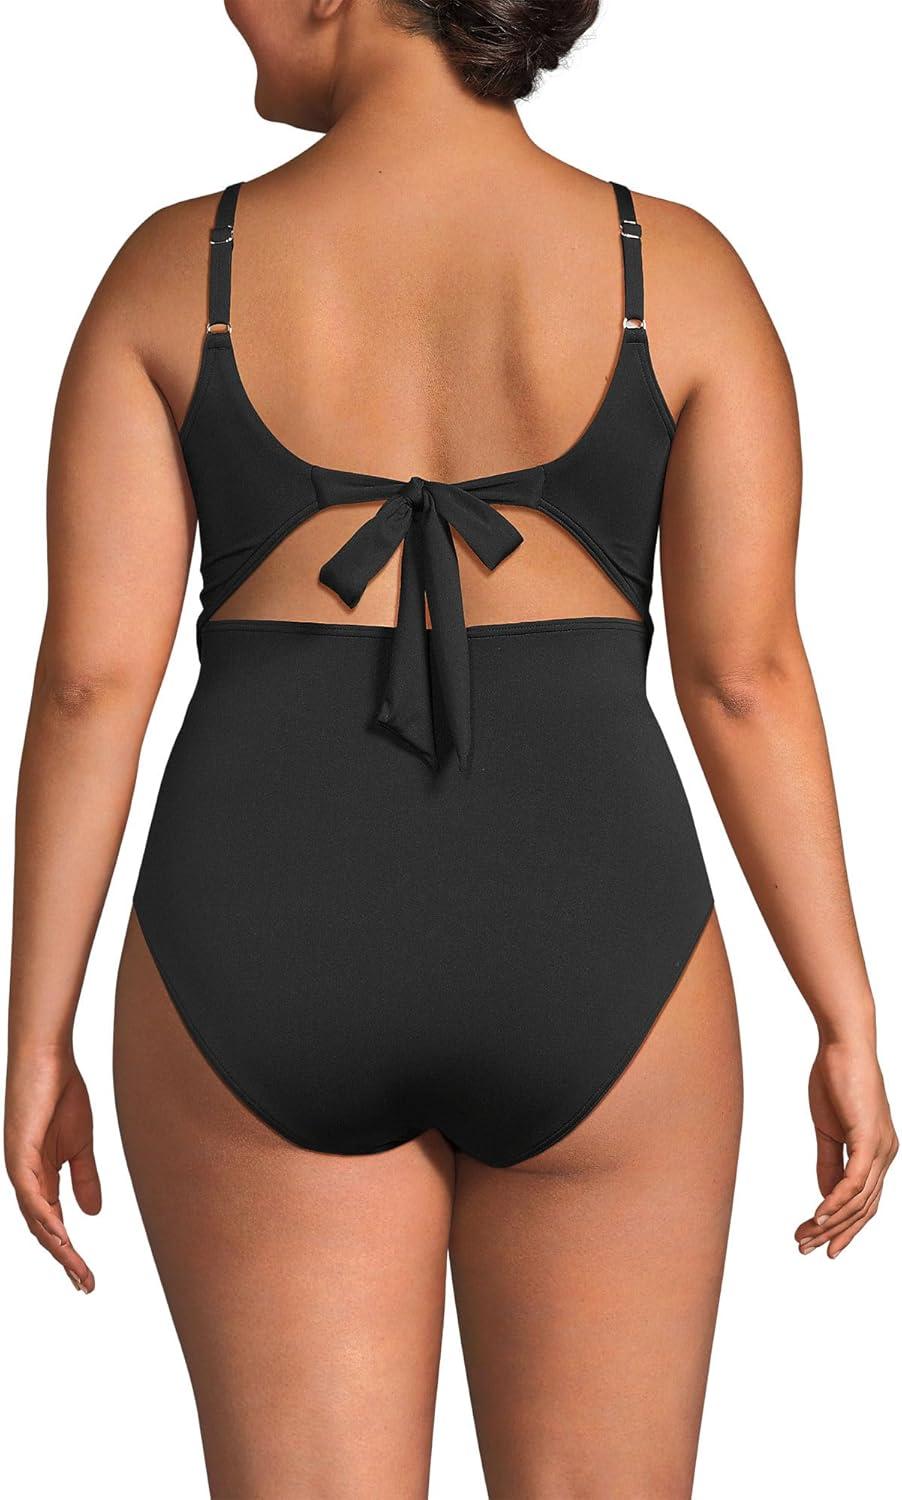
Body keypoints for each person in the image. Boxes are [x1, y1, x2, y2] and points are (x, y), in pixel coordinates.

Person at [5, 1, 896, 1495]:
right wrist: (845, 1016)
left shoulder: (174, 270)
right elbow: (743, 679)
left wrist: (36, 1033)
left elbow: (93, 685)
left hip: (257, 939)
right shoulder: (675, 270)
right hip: (599, 946)